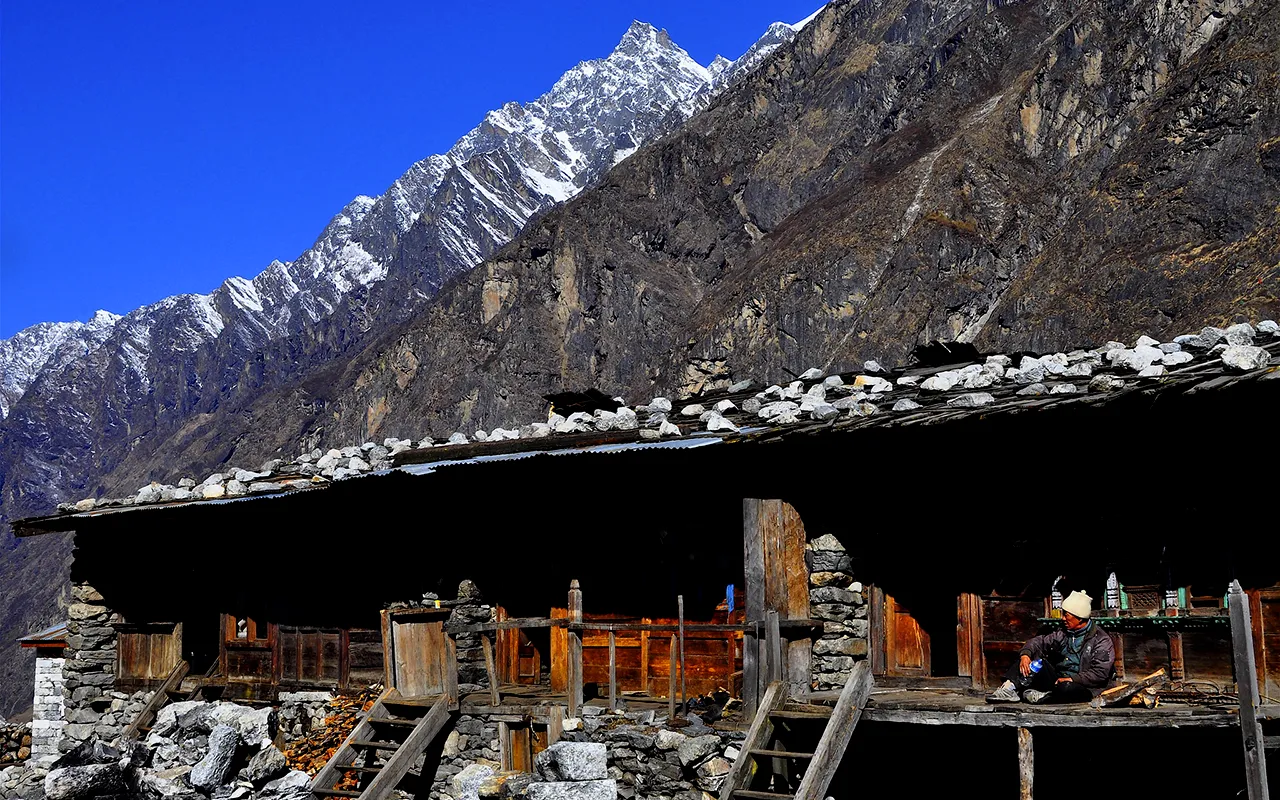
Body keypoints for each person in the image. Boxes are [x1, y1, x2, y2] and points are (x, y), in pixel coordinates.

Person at [986, 590, 1115, 704]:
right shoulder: (1062, 633)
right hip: (1056, 679)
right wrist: (1026, 654)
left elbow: (1099, 673)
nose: (1063, 618)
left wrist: (1071, 679)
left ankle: (1044, 696)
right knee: (1031, 661)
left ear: (1080, 619)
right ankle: (1009, 688)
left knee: (1067, 688)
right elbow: (1039, 642)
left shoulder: (1100, 640)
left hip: (1082, 686)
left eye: (1067, 615)